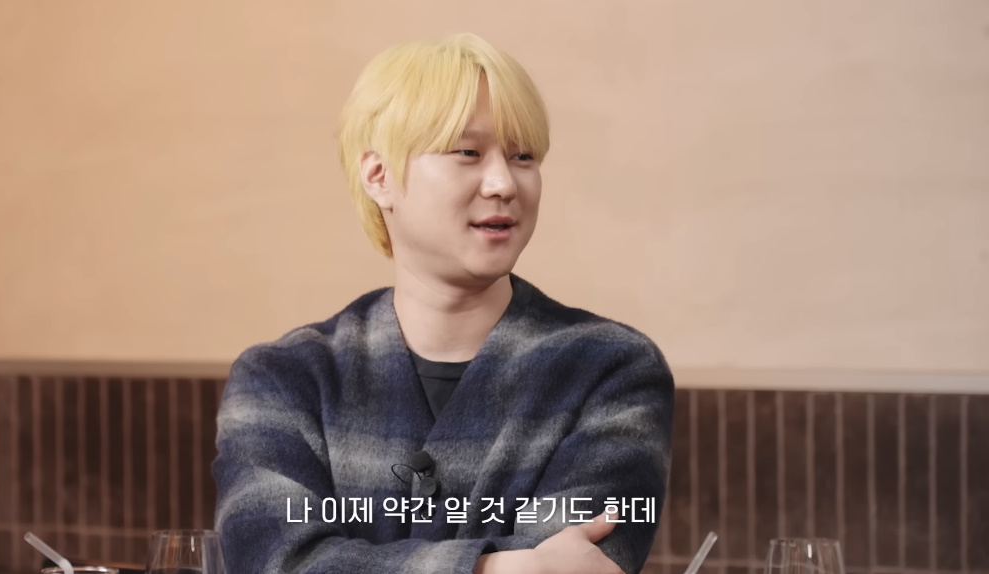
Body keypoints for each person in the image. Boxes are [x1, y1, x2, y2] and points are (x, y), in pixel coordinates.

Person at [213, 32, 674, 574]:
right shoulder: (283, 379)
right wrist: (496, 568)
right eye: (468, 152)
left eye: (523, 156)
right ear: (379, 176)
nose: (503, 183)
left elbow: (580, 564)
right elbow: (274, 560)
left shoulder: (611, 370)